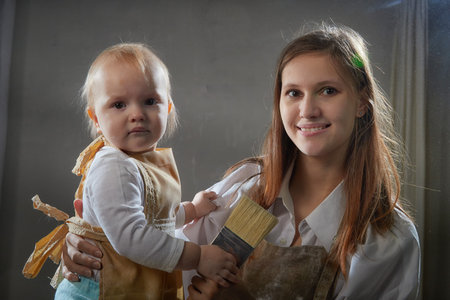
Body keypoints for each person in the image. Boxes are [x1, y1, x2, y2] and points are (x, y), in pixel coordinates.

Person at [62, 25, 420, 300]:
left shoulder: (387, 240)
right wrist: (93, 251)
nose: (307, 110)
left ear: (361, 102)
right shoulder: (246, 187)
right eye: (293, 92)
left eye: (328, 90)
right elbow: (156, 247)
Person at [26, 43, 239, 300]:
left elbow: (155, 217)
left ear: (168, 109)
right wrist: (198, 256)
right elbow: (132, 237)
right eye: (119, 105)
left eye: (150, 101)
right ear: (96, 119)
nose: (137, 113)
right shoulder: (113, 166)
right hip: (100, 291)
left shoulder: (144, 162)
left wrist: (191, 210)